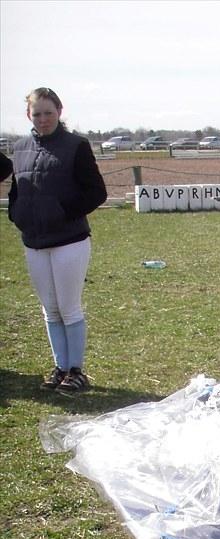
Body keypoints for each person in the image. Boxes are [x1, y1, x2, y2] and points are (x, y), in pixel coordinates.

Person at [8, 87, 107, 393]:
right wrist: (17, 214)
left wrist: (63, 212)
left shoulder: (75, 145)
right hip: (34, 241)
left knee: (69, 307)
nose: (43, 119)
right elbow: (16, 190)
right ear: (28, 115)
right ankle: (60, 367)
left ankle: (76, 370)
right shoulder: (20, 147)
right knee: (49, 309)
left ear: (59, 112)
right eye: (37, 113)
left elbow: (96, 192)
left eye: (48, 112)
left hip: (69, 241)